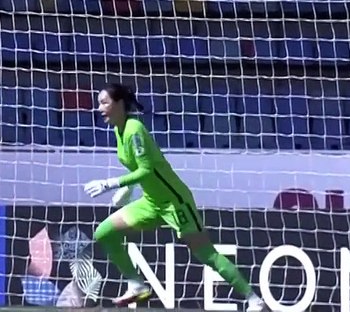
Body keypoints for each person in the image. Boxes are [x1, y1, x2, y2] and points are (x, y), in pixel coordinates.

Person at [83, 83, 265, 311]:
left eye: (104, 103)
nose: (99, 108)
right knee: (104, 233)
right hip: (151, 202)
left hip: (175, 202)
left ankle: (254, 300)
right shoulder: (118, 131)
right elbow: (140, 167)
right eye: (99, 103)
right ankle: (136, 285)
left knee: (207, 255)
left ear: (119, 104)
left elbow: (147, 169)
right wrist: (128, 191)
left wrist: (111, 183)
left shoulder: (134, 130)